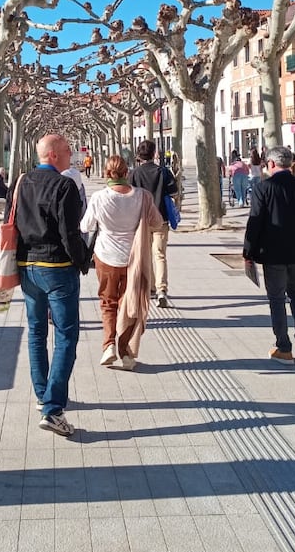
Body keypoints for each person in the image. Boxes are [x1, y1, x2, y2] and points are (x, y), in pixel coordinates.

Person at [9, 133, 91, 437]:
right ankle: (54, 409)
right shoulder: (64, 185)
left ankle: (43, 394)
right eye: (68, 151)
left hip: (27, 267)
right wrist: (83, 261)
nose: (73, 155)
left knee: (36, 332)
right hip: (57, 267)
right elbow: (70, 233)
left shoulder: (20, 183)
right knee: (67, 336)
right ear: (54, 155)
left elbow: (11, 221)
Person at [243, 145, 295, 364]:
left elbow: (255, 222)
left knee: (277, 299)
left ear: (270, 164)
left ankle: (284, 347)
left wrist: (248, 252)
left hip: (272, 252)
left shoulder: (263, 188)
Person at [80, 155, 162, 369]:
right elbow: (157, 221)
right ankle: (126, 353)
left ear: (107, 174)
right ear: (127, 173)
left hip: (105, 257)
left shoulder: (99, 197)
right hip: (133, 259)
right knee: (129, 304)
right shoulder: (142, 197)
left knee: (108, 303)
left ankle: (108, 346)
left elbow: (86, 226)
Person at [130, 139, 178, 307]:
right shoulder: (163, 172)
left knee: (145, 255)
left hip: (141, 220)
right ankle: (161, 289)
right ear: (154, 153)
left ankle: (150, 287)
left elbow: (130, 196)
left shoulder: (135, 173)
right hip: (161, 218)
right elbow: (174, 192)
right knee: (160, 254)